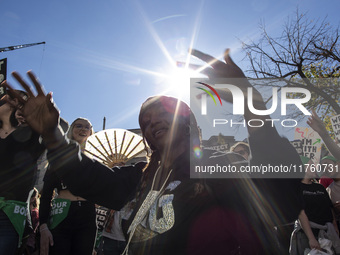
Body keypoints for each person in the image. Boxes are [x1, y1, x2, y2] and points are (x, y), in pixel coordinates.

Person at [3, 48, 303, 254]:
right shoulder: (139, 177)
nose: (152, 122)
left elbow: (284, 196)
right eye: (144, 121)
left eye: (164, 114)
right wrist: (52, 133)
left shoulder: (220, 164)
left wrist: (251, 101)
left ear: (189, 123)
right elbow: (87, 176)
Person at [39, 118, 98, 255]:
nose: (83, 129)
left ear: (90, 132)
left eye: (87, 127)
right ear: (71, 129)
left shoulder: (96, 160)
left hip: (87, 215)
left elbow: (102, 190)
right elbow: (46, 194)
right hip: (62, 211)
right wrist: (43, 225)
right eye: (79, 126)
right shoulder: (58, 157)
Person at [0, 87, 45, 254]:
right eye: (13, 100)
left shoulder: (29, 136)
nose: (17, 105)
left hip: (10, 215)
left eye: (23, 103)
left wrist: (40, 114)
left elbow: (59, 127)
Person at [290, 156, 340, 255]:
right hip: (308, 234)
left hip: (327, 233)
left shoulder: (320, 187)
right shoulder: (296, 188)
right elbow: (301, 214)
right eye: (311, 165)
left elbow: (329, 208)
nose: (315, 168)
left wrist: (335, 227)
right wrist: (311, 238)